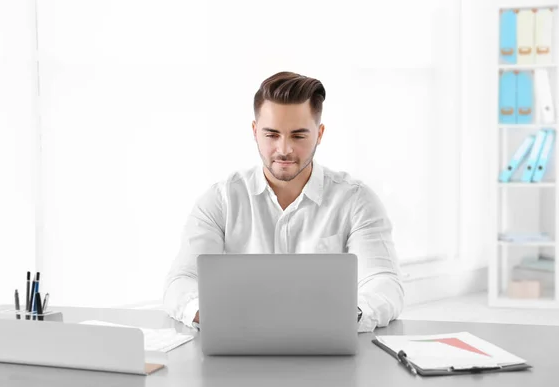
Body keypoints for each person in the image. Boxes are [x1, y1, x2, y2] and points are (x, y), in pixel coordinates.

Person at [163, 71, 404, 332]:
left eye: (298, 136)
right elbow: (181, 281)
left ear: (319, 134)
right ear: (255, 132)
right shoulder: (221, 200)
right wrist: (212, 314)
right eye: (272, 135)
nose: (284, 149)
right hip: (240, 348)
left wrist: (348, 315)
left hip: (328, 348)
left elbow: (384, 281)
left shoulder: (357, 201)